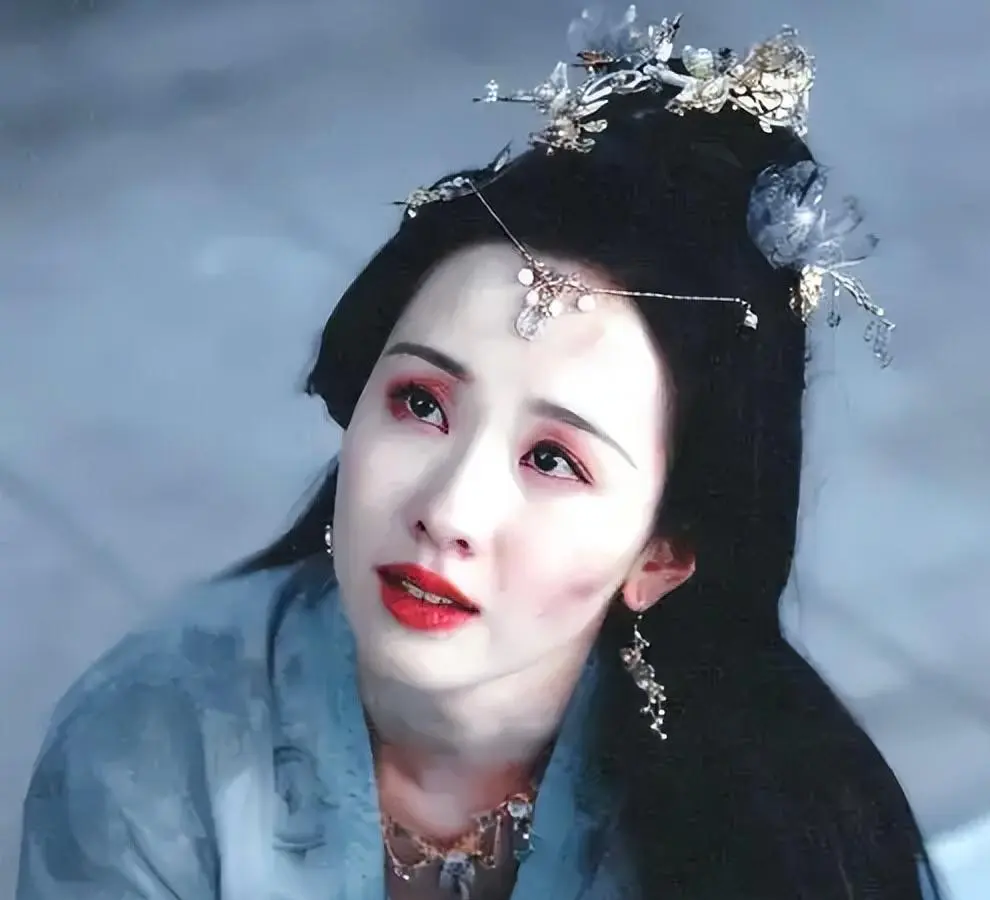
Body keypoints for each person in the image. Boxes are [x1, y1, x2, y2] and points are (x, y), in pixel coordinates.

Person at [17, 9, 942, 900]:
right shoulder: (156, 738)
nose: (448, 510)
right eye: (421, 403)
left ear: (663, 554)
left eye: (554, 461)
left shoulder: (787, 836)